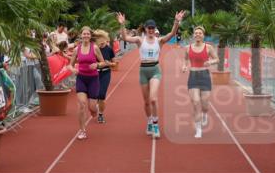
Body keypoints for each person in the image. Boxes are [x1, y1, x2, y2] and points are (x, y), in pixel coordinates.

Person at [117, 10, 185, 138]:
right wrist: (122, 24)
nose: (151, 30)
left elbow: (172, 33)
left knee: (153, 99)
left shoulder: (159, 41)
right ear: (145, 29)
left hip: (155, 70)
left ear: (155, 29)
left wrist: (176, 21)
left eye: (153, 28)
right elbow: (125, 38)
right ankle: (149, 120)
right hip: (143, 71)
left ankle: (155, 124)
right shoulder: (139, 40)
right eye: (149, 28)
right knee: (146, 102)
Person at [68, 26, 107, 140]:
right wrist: (73, 69)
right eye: (84, 34)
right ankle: (82, 130)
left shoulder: (94, 48)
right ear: (81, 35)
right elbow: (70, 64)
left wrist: (97, 65)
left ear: (90, 36)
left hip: (93, 79)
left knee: (92, 108)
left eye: (87, 34)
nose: (85, 36)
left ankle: (94, 111)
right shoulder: (77, 49)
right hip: (81, 79)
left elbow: (103, 62)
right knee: (81, 105)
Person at [182, 25, 218, 139]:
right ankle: (198, 130)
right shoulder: (187, 48)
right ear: (194, 35)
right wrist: (184, 66)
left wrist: (210, 63)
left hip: (205, 76)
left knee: (205, 103)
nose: (197, 34)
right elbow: (185, 60)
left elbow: (217, 59)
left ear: (203, 35)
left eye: (200, 33)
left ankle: (205, 113)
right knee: (196, 103)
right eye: (196, 33)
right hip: (193, 76)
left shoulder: (209, 47)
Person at [92, 30, 118, 124]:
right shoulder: (93, 49)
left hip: (105, 73)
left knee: (102, 95)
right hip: (94, 73)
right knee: (94, 96)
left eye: (102, 38)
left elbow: (115, 63)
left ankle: (101, 114)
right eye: (98, 38)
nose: (101, 40)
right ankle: (96, 105)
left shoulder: (109, 49)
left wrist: (109, 63)